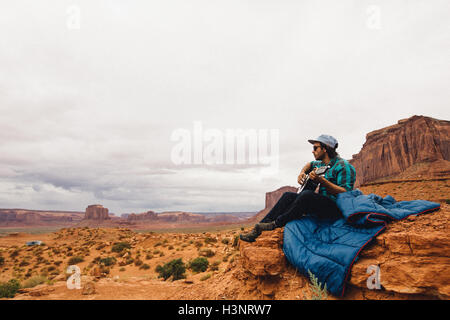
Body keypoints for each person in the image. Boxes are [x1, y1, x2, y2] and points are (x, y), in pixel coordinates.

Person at [240, 134, 356, 242]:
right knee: (288, 196)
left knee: (307, 196)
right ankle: (259, 227)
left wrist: (323, 182)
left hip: (336, 208)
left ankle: (276, 224)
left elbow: (345, 192)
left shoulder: (343, 166)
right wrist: (302, 173)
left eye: (315, 148)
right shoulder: (321, 164)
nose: (313, 151)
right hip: (322, 205)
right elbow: (309, 164)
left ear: (325, 149)